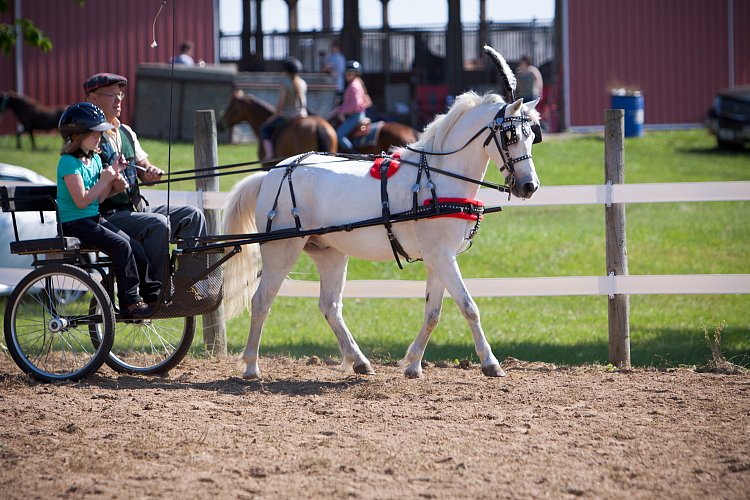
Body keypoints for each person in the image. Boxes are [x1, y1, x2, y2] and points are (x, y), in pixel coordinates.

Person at [83, 72, 207, 288]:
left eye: (120, 94)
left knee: (193, 216)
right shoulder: (88, 137)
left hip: (136, 209)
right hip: (107, 216)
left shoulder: (127, 133)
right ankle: (158, 290)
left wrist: (151, 173)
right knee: (159, 224)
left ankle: (190, 284)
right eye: (112, 95)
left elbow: (144, 169)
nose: (118, 100)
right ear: (93, 98)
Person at [56, 102, 159, 318]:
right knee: (121, 246)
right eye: (94, 135)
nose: (99, 139)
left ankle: (154, 296)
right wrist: (106, 179)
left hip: (92, 218)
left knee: (134, 245)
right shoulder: (68, 163)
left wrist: (113, 184)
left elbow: (99, 198)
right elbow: (82, 201)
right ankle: (131, 303)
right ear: (76, 136)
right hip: (74, 223)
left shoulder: (92, 159)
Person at [259, 57, 308, 160]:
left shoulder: (285, 83)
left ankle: (269, 155)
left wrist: (274, 116)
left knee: (264, 128)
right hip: (303, 115)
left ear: (286, 71)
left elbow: (281, 104)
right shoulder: (303, 83)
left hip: (289, 116)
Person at [328, 60, 372, 153]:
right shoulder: (357, 83)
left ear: (356, 74)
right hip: (357, 113)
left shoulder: (353, 86)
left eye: (351, 73)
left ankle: (352, 153)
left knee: (339, 134)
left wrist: (341, 111)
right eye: (347, 72)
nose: (348, 74)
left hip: (356, 115)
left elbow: (354, 104)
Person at [323, 40, 346, 104]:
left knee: (336, 105)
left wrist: (328, 69)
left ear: (337, 48)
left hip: (337, 85)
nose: (331, 49)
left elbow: (326, 68)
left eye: (333, 47)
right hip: (333, 85)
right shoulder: (333, 56)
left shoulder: (338, 57)